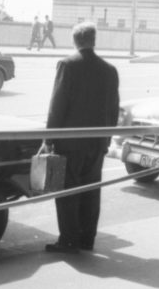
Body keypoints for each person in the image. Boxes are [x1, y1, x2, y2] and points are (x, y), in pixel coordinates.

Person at [44, 22, 120, 253]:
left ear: (75, 41)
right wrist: (106, 139)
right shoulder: (109, 70)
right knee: (91, 191)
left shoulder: (67, 65)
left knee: (67, 192)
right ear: (93, 40)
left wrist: (49, 136)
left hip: (70, 143)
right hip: (97, 143)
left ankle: (68, 240)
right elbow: (113, 109)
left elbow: (58, 105)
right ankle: (87, 239)